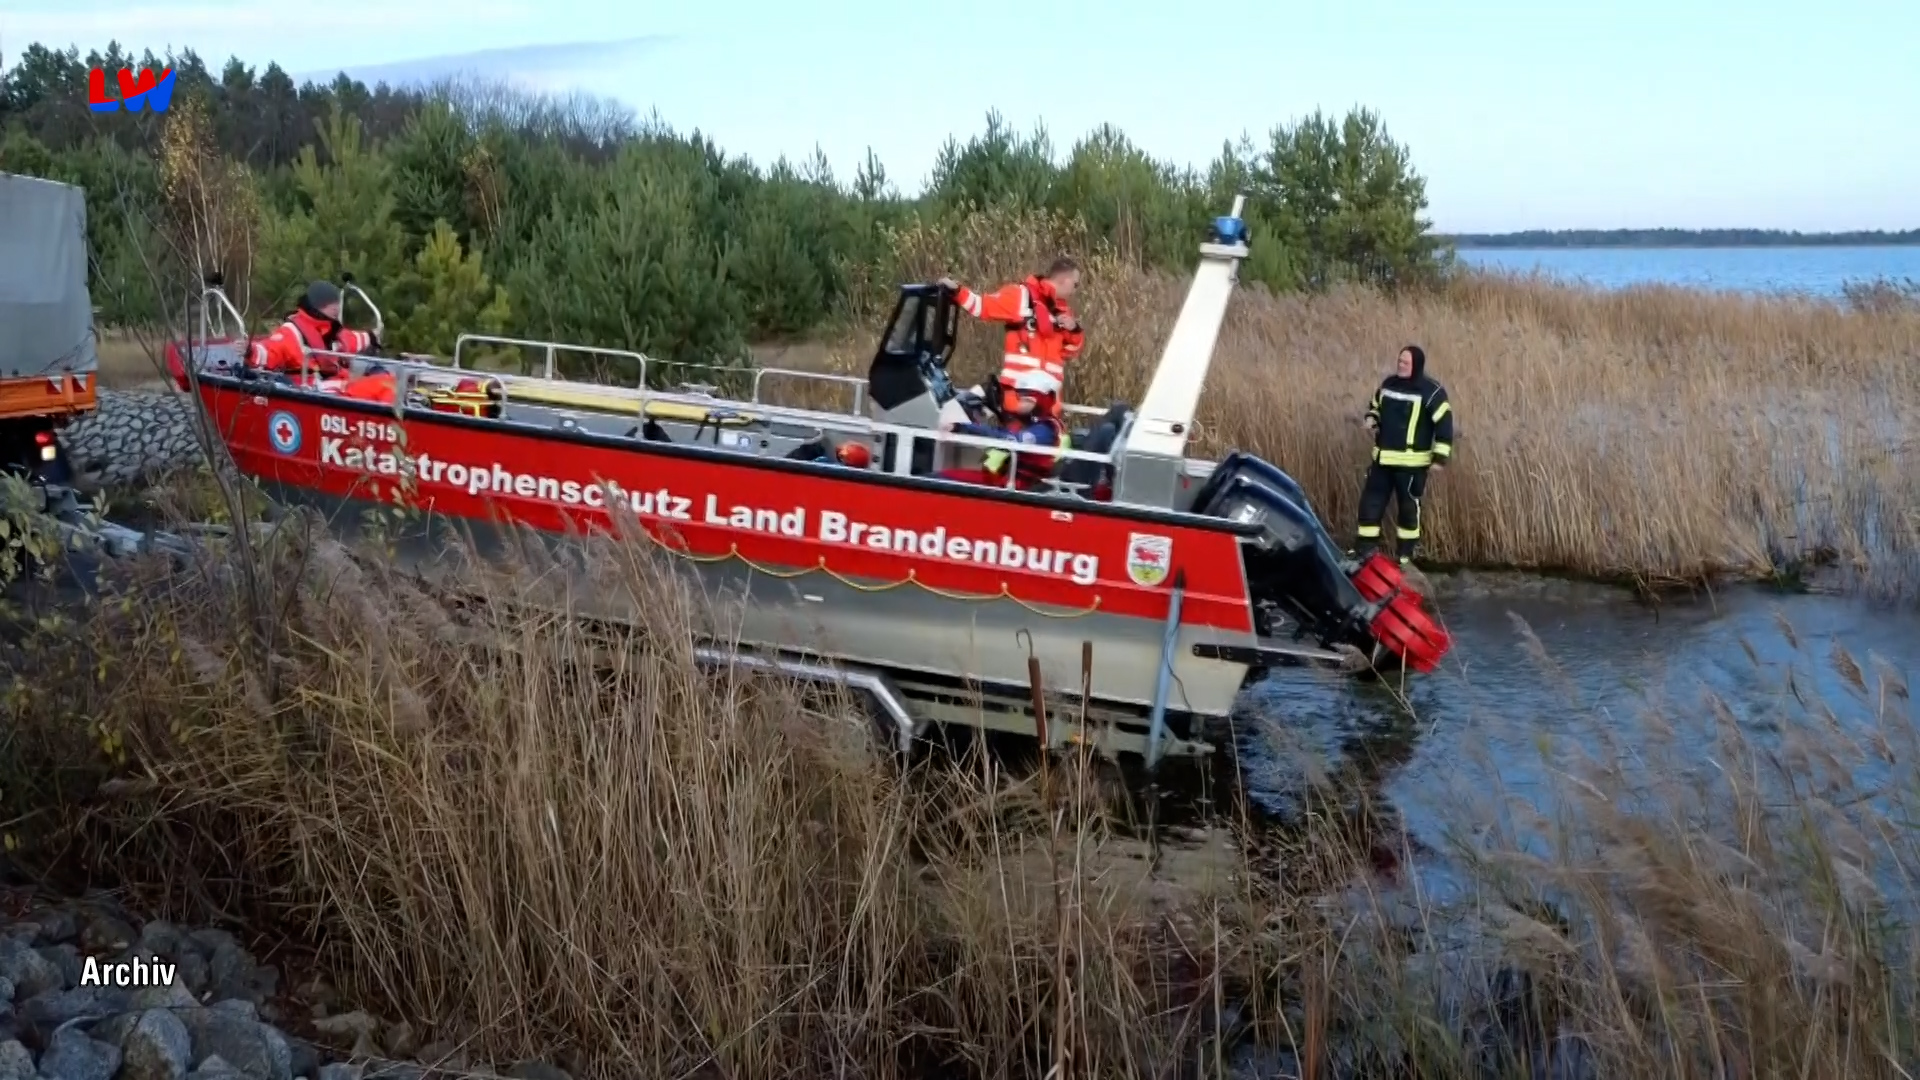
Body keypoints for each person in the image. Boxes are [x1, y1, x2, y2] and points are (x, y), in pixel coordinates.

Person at [1355, 344, 1454, 566]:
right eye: (1400, 361)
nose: (1401, 365)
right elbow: (1375, 406)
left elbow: (1444, 424)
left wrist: (1439, 458)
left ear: (1416, 365)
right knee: (1370, 504)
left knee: (1408, 509)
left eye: (1405, 363)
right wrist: (1371, 418)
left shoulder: (1431, 391)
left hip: (1412, 465)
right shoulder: (1389, 385)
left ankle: (1405, 557)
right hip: (1383, 460)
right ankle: (1365, 552)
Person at [937, 256, 1084, 398]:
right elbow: (982, 307)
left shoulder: (1064, 312)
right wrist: (957, 291)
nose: (1075, 290)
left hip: (1048, 401)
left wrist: (1075, 331)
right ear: (1063, 279)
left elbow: (1068, 353)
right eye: (1075, 285)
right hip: (1019, 395)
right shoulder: (1020, 296)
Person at [945, 370, 1070, 491]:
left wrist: (964, 427)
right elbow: (1006, 429)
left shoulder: (1046, 429)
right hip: (1008, 482)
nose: (1019, 402)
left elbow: (1008, 439)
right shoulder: (1035, 423)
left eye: (1024, 398)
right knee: (946, 477)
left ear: (1038, 400)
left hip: (1016, 488)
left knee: (943, 479)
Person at [247, 280, 382, 380]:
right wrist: (250, 352)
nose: (336, 308)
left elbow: (353, 339)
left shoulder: (332, 330)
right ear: (317, 306)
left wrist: (373, 336)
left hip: (338, 383)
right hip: (313, 388)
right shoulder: (291, 332)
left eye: (336, 304)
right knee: (379, 387)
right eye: (330, 305)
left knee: (383, 380)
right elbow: (269, 351)